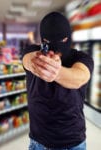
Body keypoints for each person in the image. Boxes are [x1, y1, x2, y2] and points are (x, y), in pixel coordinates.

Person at [22, 12, 94, 150]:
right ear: (43, 41)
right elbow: (27, 60)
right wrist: (39, 63)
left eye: (62, 40)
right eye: (49, 42)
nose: (56, 50)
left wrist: (57, 72)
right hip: (38, 142)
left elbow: (80, 76)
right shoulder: (33, 51)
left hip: (73, 142)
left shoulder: (82, 58)